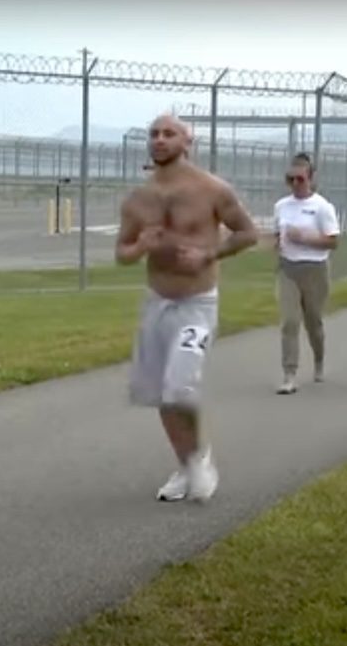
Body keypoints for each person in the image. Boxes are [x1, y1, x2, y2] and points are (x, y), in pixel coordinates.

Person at [115, 114, 259, 502]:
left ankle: (200, 460)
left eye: (169, 134)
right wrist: (141, 245)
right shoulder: (138, 199)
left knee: (180, 386)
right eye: (154, 134)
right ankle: (186, 465)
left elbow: (248, 233)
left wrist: (208, 254)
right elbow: (122, 253)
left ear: (187, 142)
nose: (159, 140)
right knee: (162, 394)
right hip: (157, 303)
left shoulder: (212, 189)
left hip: (197, 303)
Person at [273, 153, 340, 395]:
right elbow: (277, 235)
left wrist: (305, 237)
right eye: (290, 179)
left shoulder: (322, 207)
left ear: (310, 179)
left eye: (300, 179)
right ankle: (289, 374)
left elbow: (333, 242)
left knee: (313, 323)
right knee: (290, 322)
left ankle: (319, 360)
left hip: (315, 269)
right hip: (288, 269)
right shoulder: (281, 206)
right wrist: (275, 243)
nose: (295, 184)